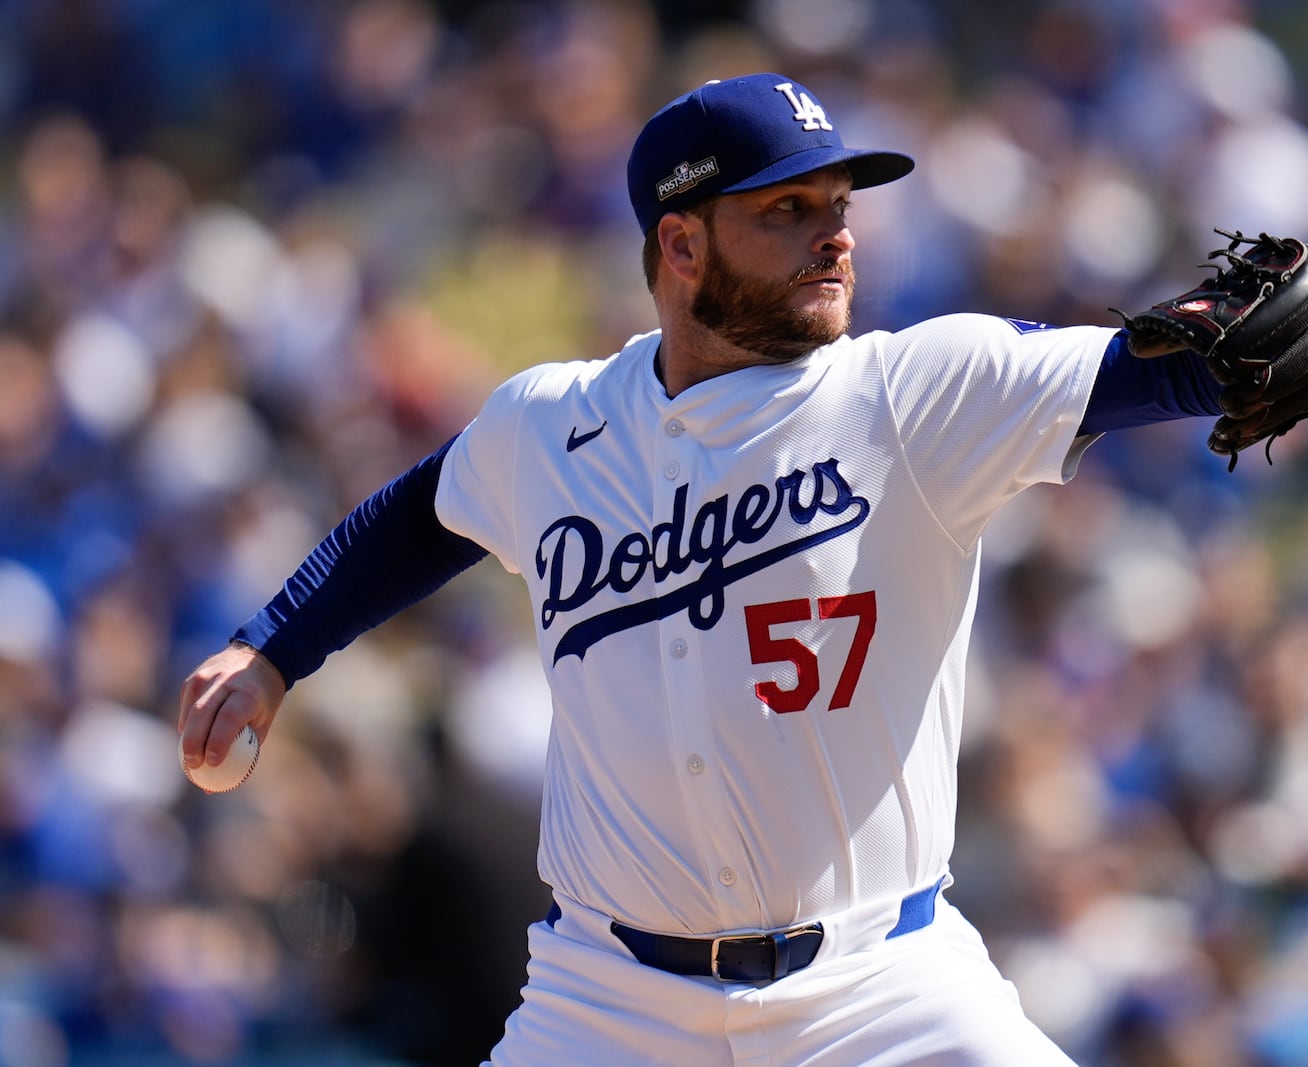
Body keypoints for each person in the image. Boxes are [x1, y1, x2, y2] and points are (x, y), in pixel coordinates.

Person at [177, 73, 1224, 1065]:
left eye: (839, 203)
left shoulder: (911, 393)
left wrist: (1239, 342)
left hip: (881, 985)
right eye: (787, 209)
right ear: (680, 242)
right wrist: (271, 648)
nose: (837, 234)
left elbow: (1137, 368)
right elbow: (417, 516)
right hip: (609, 1001)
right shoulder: (551, 423)